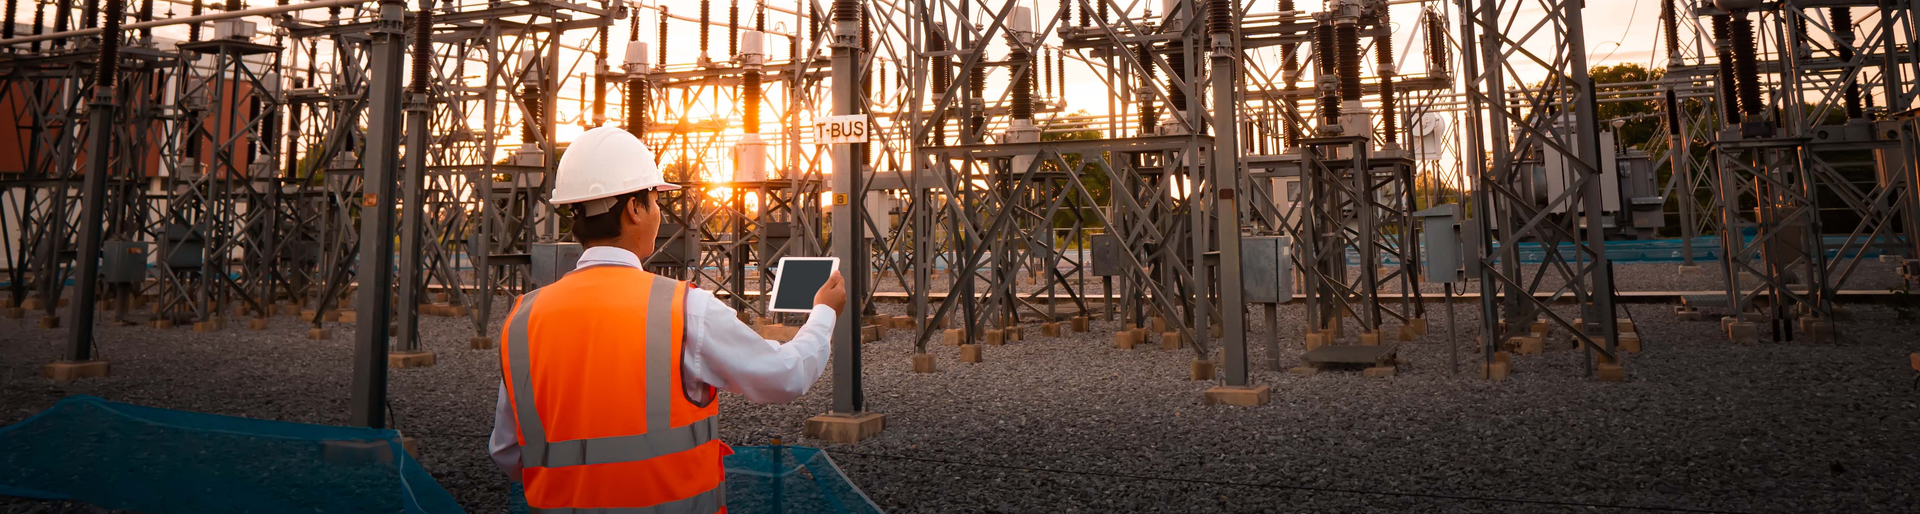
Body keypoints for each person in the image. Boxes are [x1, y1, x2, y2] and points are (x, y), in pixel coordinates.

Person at [489, 126, 845, 512]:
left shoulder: (523, 320)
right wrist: (824, 313)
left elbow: (507, 451)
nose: (658, 214)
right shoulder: (683, 308)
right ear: (634, 208)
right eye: (656, 201)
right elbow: (786, 375)